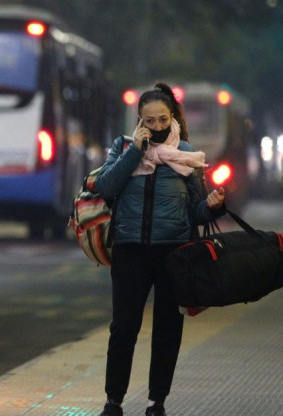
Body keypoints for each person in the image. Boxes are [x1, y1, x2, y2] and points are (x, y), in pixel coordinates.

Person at [94, 83, 226, 416]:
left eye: (161, 119)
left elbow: (195, 211)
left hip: (173, 252)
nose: (156, 127)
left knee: (168, 328)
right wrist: (134, 152)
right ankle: (114, 401)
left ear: (172, 118)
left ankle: (157, 402)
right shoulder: (123, 147)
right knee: (123, 327)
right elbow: (106, 186)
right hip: (130, 251)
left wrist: (212, 206)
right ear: (139, 121)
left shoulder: (186, 154)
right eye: (148, 121)